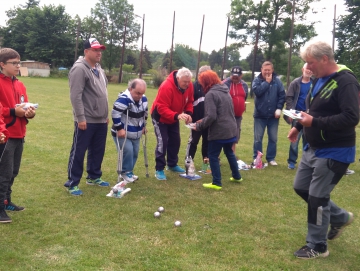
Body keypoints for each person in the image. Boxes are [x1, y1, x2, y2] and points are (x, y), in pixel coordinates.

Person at [288, 41, 359, 259]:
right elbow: (312, 109)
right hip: (314, 148)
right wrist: (299, 125)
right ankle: (339, 217)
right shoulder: (320, 80)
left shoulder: (345, 82)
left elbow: (352, 117)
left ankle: (317, 246)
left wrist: (315, 123)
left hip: (335, 150)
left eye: (310, 62)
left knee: (318, 197)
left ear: (324, 59)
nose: (307, 67)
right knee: (301, 188)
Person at [64, 38, 110, 196]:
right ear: (86, 51)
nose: (99, 53)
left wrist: (105, 114)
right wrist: (80, 117)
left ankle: (94, 176)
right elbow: (75, 96)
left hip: (101, 119)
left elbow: (103, 93)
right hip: (86, 119)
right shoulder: (79, 69)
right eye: (95, 50)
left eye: (100, 50)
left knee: (98, 150)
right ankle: (72, 182)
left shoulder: (99, 68)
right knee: (79, 151)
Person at [0, 48, 36, 223]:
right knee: (3, 173)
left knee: (13, 171)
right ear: (2, 64)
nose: (17, 66)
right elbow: (3, 111)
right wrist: (15, 112)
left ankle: (6, 201)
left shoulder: (20, 84)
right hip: (5, 135)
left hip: (19, 133)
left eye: (18, 62)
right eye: (13, 63)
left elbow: (25, 106)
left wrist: (30, 112)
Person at [193, 70, 242, 190]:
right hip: (231, 128)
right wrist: (204, 120)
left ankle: (216, 182)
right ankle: (237, 176)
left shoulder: (210, 94)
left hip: (219, 130)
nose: (201, 85)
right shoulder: (225, 90)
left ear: (206, 82)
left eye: (202, 83)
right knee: (229, 152)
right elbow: (220, 112)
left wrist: (199, 126)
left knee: (212, 155)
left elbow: (212, 116)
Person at [151, 67, 194, 180]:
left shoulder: (189, 86)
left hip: (174, 117)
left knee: (175, 141)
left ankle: (172, 164)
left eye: (189, 81)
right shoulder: (166, 86)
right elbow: (161, 108)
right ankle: (159, 169)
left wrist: (189, 113)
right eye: (184, 82)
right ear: (178, 78)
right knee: (162, 142)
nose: (187, 84)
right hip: (160, 117)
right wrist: (176, 115)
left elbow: (190, 101)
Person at [111, 79, 148, 183]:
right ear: (131, 89)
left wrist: (144, 126)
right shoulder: (123, 99)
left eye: (142, 93)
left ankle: (129, 171)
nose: (140, 96)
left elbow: (145, 113)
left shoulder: (144, 99)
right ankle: (124, 172)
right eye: (138, 93)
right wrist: (120, 129)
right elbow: (115, 114)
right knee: (128, 151)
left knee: (135, 152)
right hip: (123, 133)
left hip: (136, 132)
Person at [252, 61, 285, 165]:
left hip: (273, 116)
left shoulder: (278, 81)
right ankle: (257, 158)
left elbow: (282, 95)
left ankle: (271, 158)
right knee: (258, 139)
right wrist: (266, 82)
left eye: (269, 70)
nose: (267, 72)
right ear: (261, 69)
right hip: (259, 115)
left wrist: (279, 108)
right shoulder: (256, 80)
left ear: (272, 70)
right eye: (265, 70)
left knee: (273, 138)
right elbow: (257, 92)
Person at [284, 63, 313, 169]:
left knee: (308, 140)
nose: (309, 71)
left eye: (311, 69)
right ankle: (292, 161)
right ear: (302, 69)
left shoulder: (315, 83)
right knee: (294, 140)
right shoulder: (295, 83)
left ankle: (307, 162)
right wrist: (291, 112)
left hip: (309, 115)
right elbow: (289, 98)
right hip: (297, 115)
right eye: (307, 69)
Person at [185, 65, 211, 167]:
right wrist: (189, 116)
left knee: (207, 141)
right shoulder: (193, 86)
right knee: (193, 141)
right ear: (200, 75)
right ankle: (188, 161)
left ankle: (206, 163)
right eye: (206, 74)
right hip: (196, 121)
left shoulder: (211, 87)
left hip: (208, 120)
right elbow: (189, 103)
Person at [223, 66, 248, 154]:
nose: (235, 78)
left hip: (238, 116)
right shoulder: (225, 84)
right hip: (226, 115)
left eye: (237, 76)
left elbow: (244, 98)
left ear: (241, 76)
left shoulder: (244, 85)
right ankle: (216, 157)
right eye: (233, 76)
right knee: (223, 135)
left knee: (235, 135)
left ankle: (232, 155)